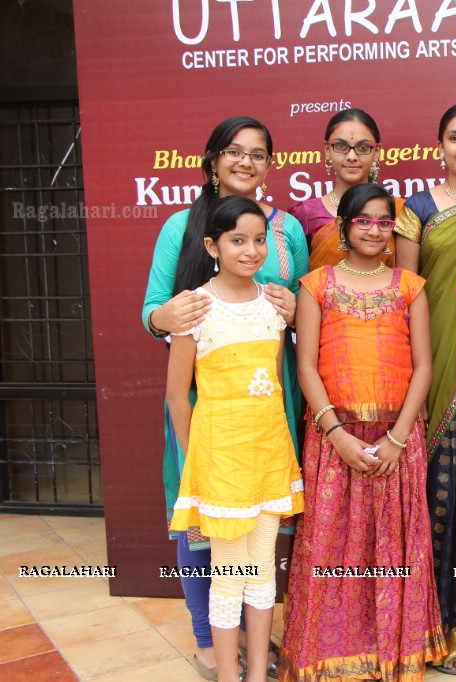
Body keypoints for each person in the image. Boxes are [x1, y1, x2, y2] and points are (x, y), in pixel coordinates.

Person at [142, 115, 308, 681]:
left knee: (259, 527)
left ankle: (254, 640)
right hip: (203, 402)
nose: (245, 162)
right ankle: (208, 638)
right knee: (201, 518)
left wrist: (292, 308)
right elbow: (154, 309)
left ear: (270, 165)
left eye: (258, 154)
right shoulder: (180, 228)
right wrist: (162, 319)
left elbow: (298, 305)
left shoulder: (285, 231)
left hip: (268, 397)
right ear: (212, 161)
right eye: (234, 152)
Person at [280, 184, 445, 681]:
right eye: (363, 221)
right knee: (332, 545)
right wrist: (336, 433)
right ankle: (334, 652)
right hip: (336, 437)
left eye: (383, 222)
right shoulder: (316, 285)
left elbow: (424, 367)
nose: (374, 230)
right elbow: (306, 365)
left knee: (394, 545)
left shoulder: (410, 286)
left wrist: (396, 439)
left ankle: (391, 650)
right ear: (343, 227)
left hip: (398, 435)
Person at [394, 102, 456, 674]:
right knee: (436, 501)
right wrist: (417, 369)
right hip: (433, 369)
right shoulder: (418, 211)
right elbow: (410, 296)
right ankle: (431, 632)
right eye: (455, 137)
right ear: (439, 146)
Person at [288, 109, 402, 270]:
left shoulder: (399, 211)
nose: (351, 156)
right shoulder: (305, 214)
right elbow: (298, 281)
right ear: (327, 150)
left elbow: (406, 279)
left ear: (376, 152)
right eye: (341, 146)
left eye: (363, 147)